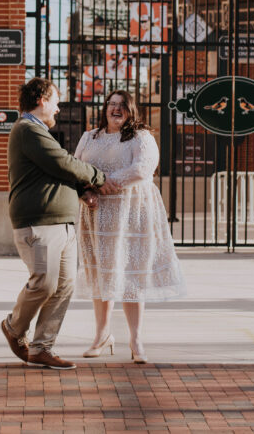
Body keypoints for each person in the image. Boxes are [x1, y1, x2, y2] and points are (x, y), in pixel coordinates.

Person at [1, 77, 119, 370]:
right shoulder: (27, 129)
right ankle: (14, 327)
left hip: (63, 224)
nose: (58, 107)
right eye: (55, 100)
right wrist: (98, 178)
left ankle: (42, 347)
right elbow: (63, 163)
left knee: (64, 286)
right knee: (45, 282)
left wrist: (81, 192)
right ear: (41, 100)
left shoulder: (37, 131)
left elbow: (54, 172)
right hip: (39, 223)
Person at [75, 89, 187, 364]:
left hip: (131, 213)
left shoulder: (141, 137)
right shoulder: (89, 137)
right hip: (96, 213)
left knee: (130, 275)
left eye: (122, 105)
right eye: (111, 104)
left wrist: (101, 181)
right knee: (102, 273)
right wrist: (85, 190)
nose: (115, 109)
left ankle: (136, 340)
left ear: (131, 110)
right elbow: (76, 168)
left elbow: (142, 169)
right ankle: (102, 336)